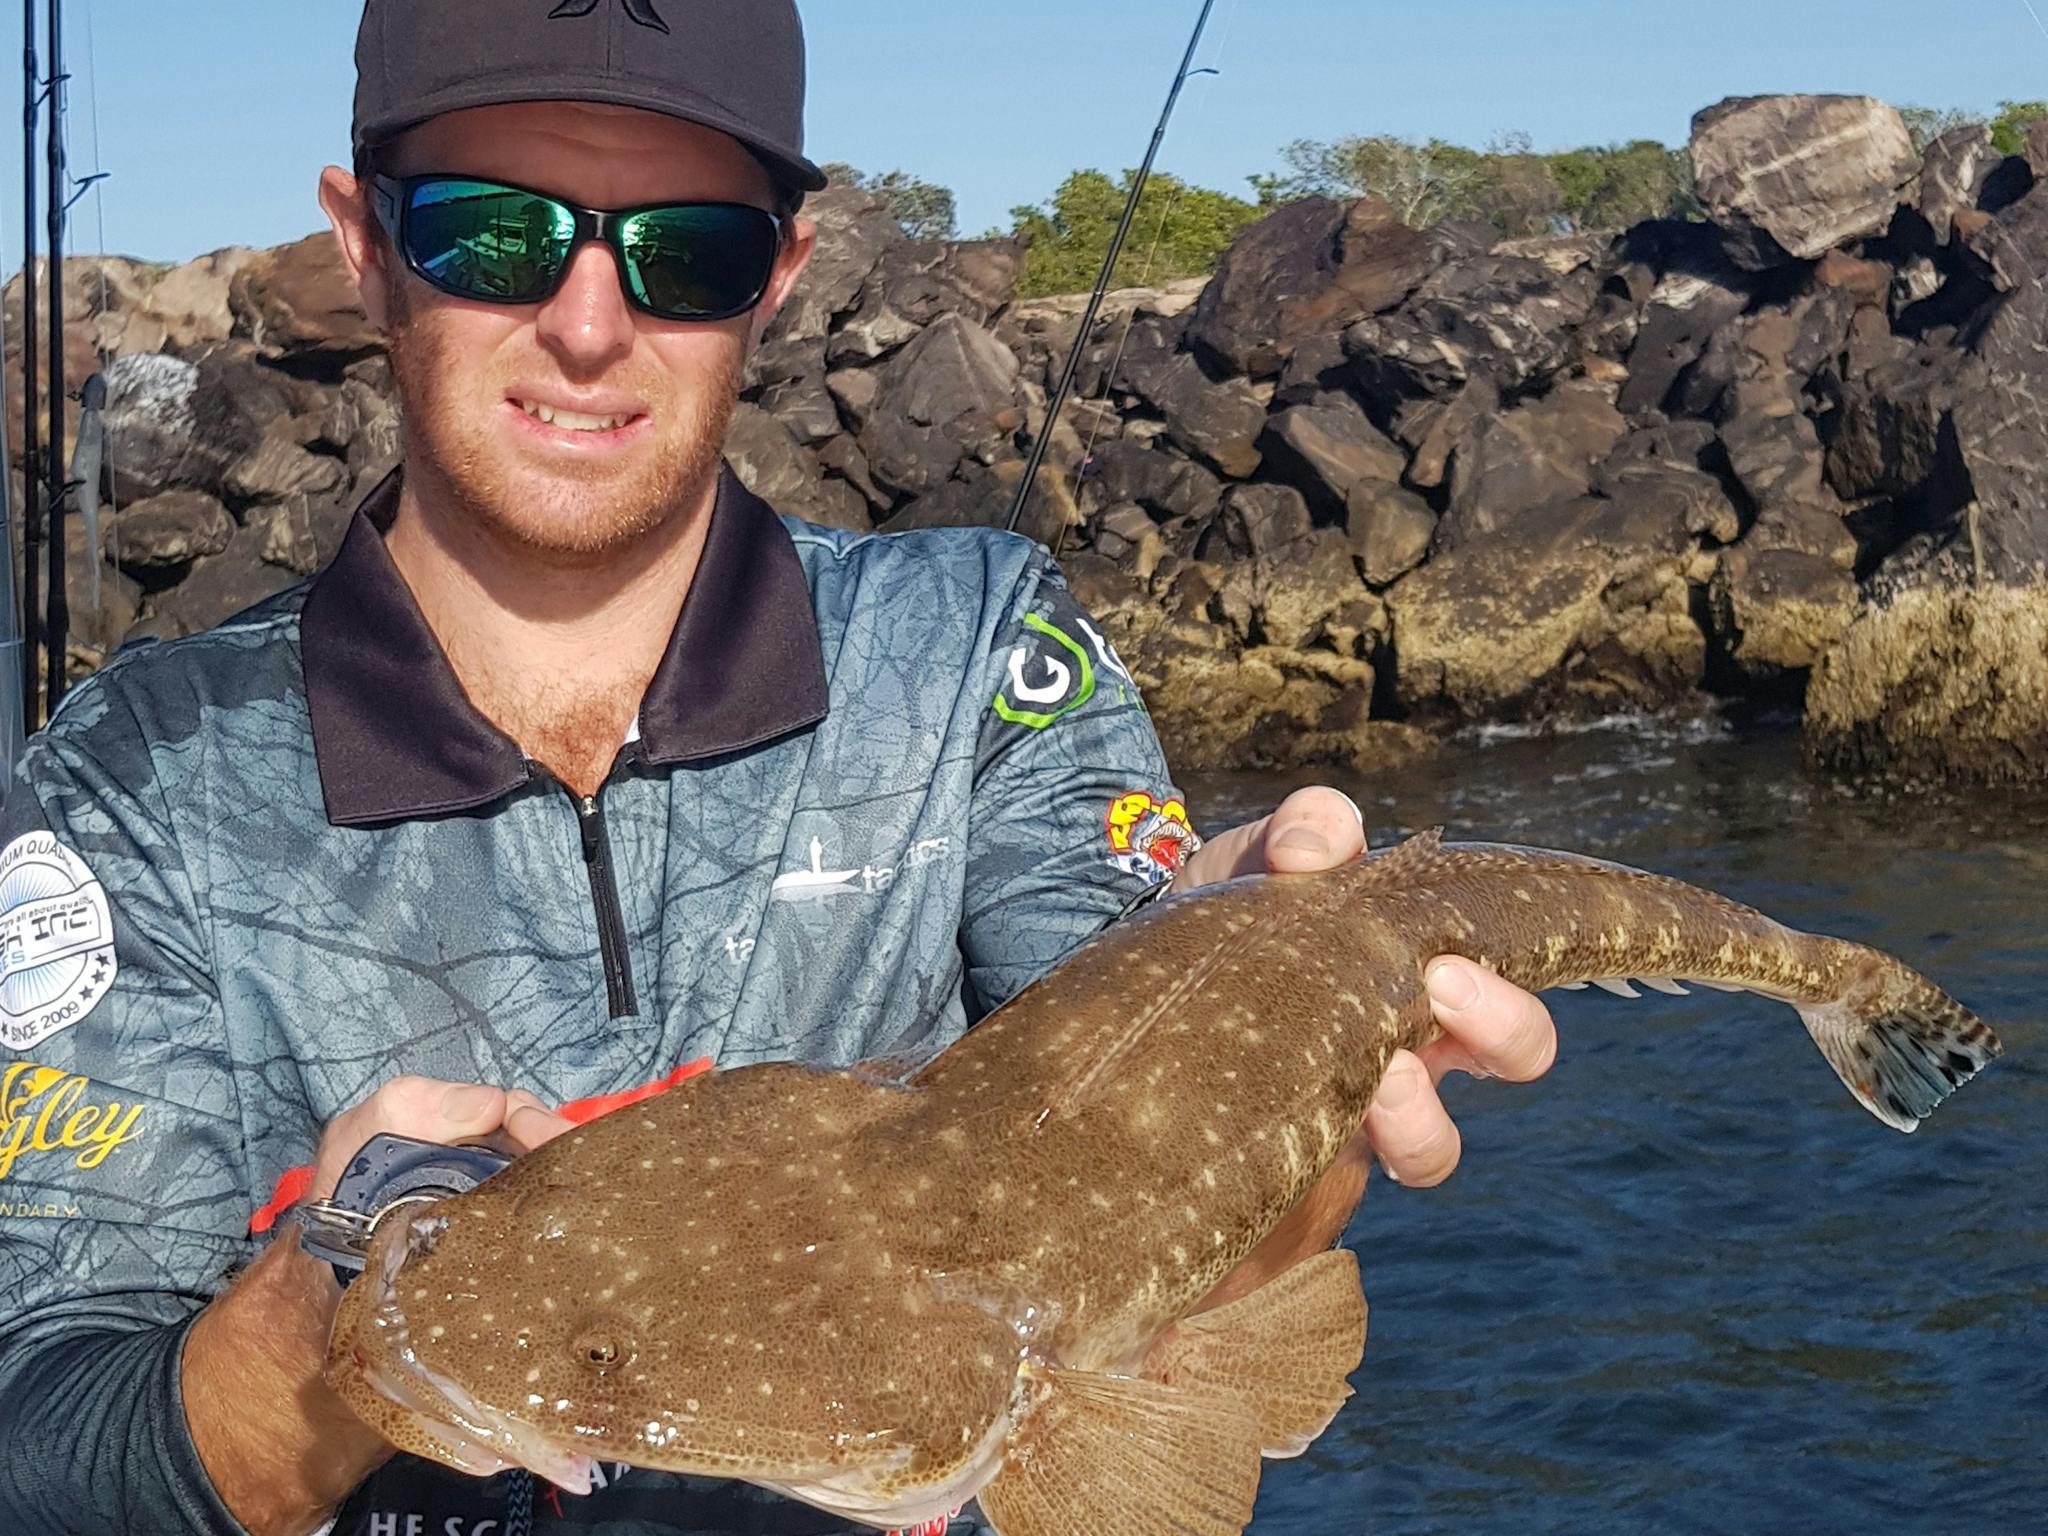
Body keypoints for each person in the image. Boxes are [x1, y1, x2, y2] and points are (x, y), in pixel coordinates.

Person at [0, 4, 1556, 1534]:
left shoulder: (968, 654)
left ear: (783, 276)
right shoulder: (130, 785)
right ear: (361, 244)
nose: (591, 324)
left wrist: (1265, 1001)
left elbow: (1156, 1228)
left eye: (690, 252)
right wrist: (337, 1300)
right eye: (487, 233)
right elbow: (36, 1440)